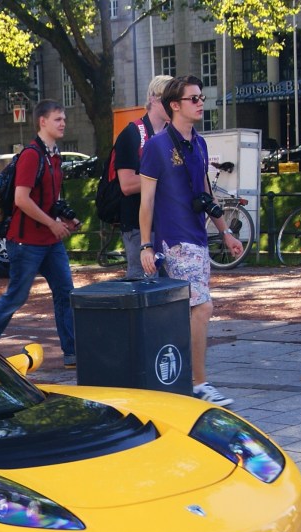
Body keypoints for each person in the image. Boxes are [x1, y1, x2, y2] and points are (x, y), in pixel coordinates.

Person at [139, 75, 244, 407]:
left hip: (198, 239)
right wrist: (146, 245)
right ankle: (198, 383)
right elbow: (147, 201)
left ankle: (175, 378)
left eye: (201, 98)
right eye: (193, 98)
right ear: (175, 105)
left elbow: (204, 192)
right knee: (202, 307)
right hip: (175, 241)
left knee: (187, 312)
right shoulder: (156, 146)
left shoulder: (199, 143)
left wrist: (224, 231)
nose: (200, 103)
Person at [0, 99, 79, 367]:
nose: (63, 123)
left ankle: (72, 353)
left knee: (65, 292)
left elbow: (49, 199)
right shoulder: (32, 155)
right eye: (58, 119)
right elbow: (22, 199)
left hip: (49, 241)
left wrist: (65, 219)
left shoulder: (54, 156)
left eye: (64, 119)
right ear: (42, 122)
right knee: (16, 297)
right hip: (25, 242)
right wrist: (52, 223)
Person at [116, 75, 173, 277]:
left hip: (169, 224)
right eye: (170, 98)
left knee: (174, 290)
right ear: (154, 99)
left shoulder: (173, 134)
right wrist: (165, 177)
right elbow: (127, 185)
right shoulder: (132, 134)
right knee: (144, 285)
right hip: (137, 226)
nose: (175, 105)